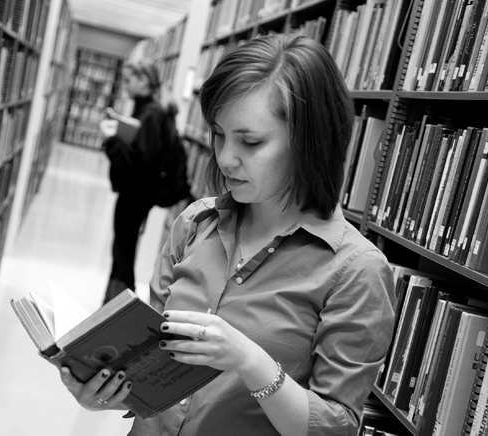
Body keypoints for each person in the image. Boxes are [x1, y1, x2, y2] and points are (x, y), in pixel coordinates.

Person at [62, 34, 396, 436]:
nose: (223, 157)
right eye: (218, 134)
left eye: (250, 141)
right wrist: (103, 392)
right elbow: (147, 374)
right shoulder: (193, 225)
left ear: (311, 143)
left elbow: (336, 428)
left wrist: (249, 362)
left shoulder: (355, 271)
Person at [101, 59, 178, 304]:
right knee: (121, 251)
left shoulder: (151, 115)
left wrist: (111, 140)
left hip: (135, 195)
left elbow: (141, 162)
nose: (125, 85)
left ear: (143, 80)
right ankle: (112, 305)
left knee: (123, 253)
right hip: (134, 194)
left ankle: (120, 309)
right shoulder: (146, 111)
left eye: (128, 80)